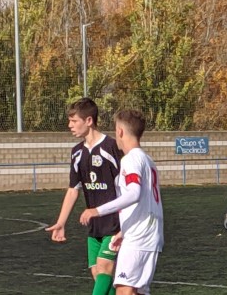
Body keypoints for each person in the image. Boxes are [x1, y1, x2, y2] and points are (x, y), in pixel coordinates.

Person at [79, 109, 164, 295]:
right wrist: (123, 231)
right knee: (136, 291)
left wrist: (97, 211)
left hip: (139, 238)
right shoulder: (147, 160)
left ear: (120, 131)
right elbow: (146, 201)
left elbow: (133, 194)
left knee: (124, 290)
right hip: (150, 235)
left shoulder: (131, 159)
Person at [46, 98, 122, 295]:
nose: (69, 125)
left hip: (114, 222)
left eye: (74, 121)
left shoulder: (111, 147)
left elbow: (125, 187)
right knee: (97, 273)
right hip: (94, 224)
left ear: (89, 121)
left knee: (104, 267)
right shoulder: (77, 153)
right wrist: (61, 222)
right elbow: (73, 189)